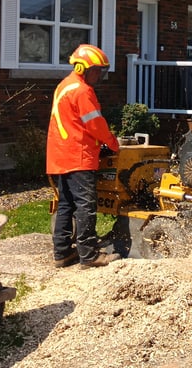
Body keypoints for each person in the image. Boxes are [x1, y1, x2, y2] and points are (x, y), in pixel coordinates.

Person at [47, 44, 121, 269]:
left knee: (66, 205)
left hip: (60, 155)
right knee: (86, 205)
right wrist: (112, 143)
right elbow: (95, 124)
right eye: (97, 70)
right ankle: (89, 256)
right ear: (82, 68)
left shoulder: (64, 86)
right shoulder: (82, 90)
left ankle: (62, 253)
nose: (99, 75)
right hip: (78, 155)